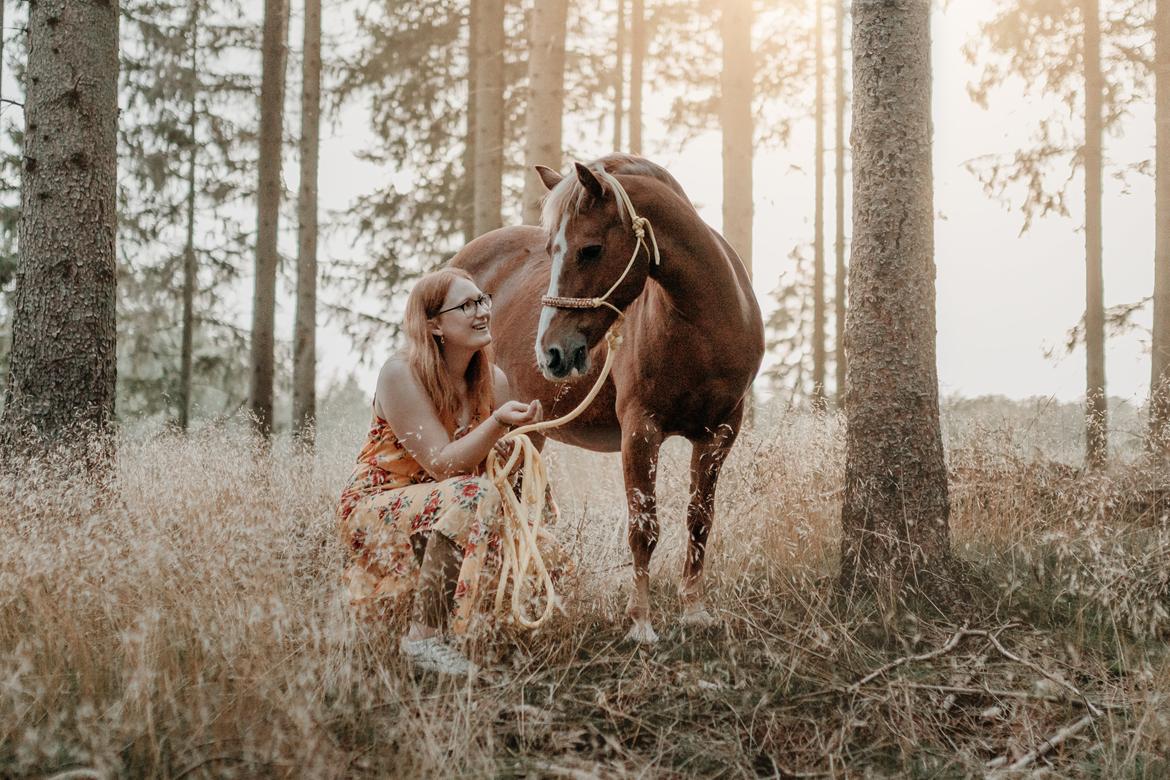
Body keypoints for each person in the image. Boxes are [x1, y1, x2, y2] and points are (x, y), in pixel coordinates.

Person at [337, 267, 543, 676]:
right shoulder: (400, 373)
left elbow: (491, 465)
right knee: (472, 495)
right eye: (466, 305)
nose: (482, 311)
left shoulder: (494, 381)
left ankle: (473, 630)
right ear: (434, 325)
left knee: (530, 538)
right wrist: (497, 424)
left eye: (482, 300)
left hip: (444, 502)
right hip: (378, 504)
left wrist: (518, 447)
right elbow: (442, 463)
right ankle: (423, 640)